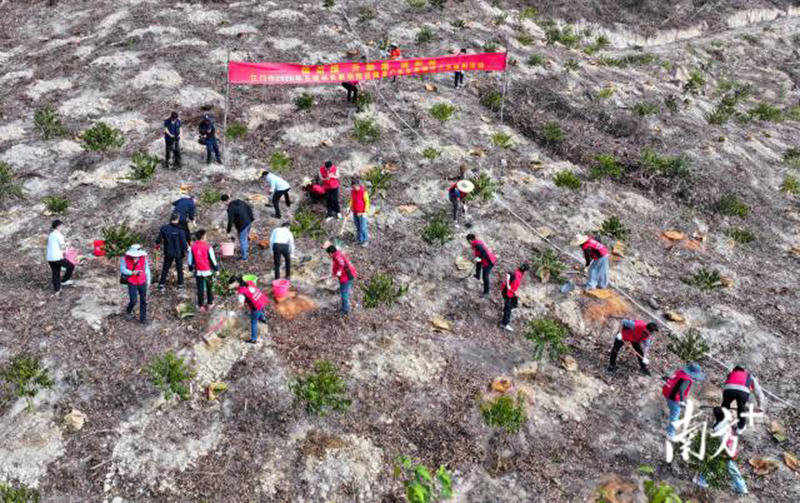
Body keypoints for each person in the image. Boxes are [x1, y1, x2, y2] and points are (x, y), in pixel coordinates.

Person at [695, 407, 749, 494]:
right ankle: (742, 487)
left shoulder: (721, 429)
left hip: (725, 451)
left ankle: (703, 481)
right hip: (729, 448)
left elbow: (723, 442)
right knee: (730, 468)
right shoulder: (725, 422)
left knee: (715, 465)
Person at [662, 362, 705, 439]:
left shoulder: (680, 373)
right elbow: (682, 390)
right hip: (674, 398)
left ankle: (669, 425)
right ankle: (670, 433)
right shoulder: (687, 379)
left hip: (667, 392)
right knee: (675, 415)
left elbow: (672, 379)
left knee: (672, 409)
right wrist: (682, 401)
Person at [720, 365, 765, 433]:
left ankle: (721, 421)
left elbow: (727, 384)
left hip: (728, 390)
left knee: (725, 406)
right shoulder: (749, 376)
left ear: (734, 370)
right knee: (741, 409)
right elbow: (758, 392)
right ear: (744, 370)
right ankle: (740, 428)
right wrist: (760, 405)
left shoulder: (731, 374)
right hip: (742, 392)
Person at [229, 276, 269, 344]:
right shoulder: (249, 282)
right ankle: (263, 319)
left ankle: (254, 339)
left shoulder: (241, 293)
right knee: (261, 309)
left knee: (253, 322)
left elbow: (241, 305)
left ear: (236, 283)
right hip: (261, 299)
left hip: (255, 306)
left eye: (231, 284)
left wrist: (233, 311)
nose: (230, 286)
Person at [155, 213, 188, 291]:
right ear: (178, 219)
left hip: (168, 252)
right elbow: (183, 243)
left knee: (165, 268)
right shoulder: (180, 230)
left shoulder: (164, 228)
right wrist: (186, 250)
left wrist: (158, 246)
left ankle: (161, 284)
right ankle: (180, 285)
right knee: (179, 269)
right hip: (178, 253)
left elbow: (158, 240)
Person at [120, 244, 151, 325]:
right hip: (132, 282)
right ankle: (128, 310)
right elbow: (122, 269)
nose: (135, 257)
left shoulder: (143, 258)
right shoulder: (125, 258)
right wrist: (131, 272)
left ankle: (143, 319)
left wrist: (148, 280)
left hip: (142, 281)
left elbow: (147, 268)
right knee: (133, 300)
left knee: (143, 300)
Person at [188, 229, 218, 312]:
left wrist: (190, 268)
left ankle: (200, 305)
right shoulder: (208, 247)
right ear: (203, 237)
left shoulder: (192, 247)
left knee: (200, 289)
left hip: (198, 271)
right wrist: (216, 268)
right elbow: (213, 259)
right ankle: (210, 303)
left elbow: (190, 260)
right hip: (207, 271)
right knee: (209, 287)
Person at [222, 194, 255, 261]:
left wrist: (228, 231)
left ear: (224, 201)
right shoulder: (239, 201)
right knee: (244, 238)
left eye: (223, 202)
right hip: (248, 222)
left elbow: (230, 221)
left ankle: (244, 258)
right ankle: (245, 252)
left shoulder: (230, 208)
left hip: (243, 225)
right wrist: (251, 218)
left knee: (243, 240)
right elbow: (248, 208)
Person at [327, 245, 357, 314]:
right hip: (351, 275)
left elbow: (341, 263)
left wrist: (339, 272)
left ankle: (345, 309)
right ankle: (349, 303)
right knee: (347, 290)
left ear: (330, 253)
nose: (329, 255)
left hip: (346, 278)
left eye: (329, 254)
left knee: (344, 293)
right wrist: (334, 273)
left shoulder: (337, 256)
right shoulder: (338, 253)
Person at [46, 219, 74, 295]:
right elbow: (62, 247)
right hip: (57, 257)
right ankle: (64, 281)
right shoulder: (59, 235)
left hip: (50, 257)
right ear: (58, 226)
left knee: (55, 272)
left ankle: (57, 289)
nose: (62, 227)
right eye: (62, 226)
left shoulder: (51, 234)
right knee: (71, 266)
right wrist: (67, 244)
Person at [500, 263, 529, 332]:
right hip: (507, 292)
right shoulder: (515, 273)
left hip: (512, 292)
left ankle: (510, 308)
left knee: (514, 302)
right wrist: (508, 285)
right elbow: (508, 274)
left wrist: (515, 291)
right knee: (508, 308)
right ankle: (504, 324)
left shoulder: (520, 273)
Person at [350, 178, 370, 247]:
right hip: (355, 212)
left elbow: (367, 202)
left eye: (355, 186)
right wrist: (349, 208)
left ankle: (366, 240)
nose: (354, 188)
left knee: (363, 227)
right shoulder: (352, 192)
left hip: (362, 213)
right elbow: (352, 200)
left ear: (358, 185)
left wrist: (365, 212)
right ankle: (360, 239)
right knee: (358, 226)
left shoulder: (364, 192)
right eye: (353, 187)